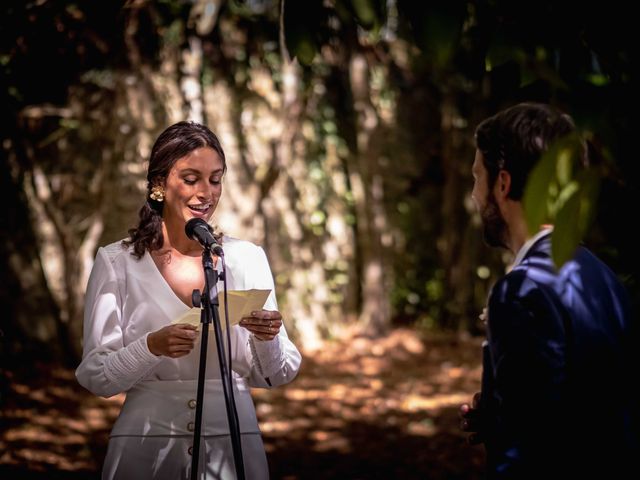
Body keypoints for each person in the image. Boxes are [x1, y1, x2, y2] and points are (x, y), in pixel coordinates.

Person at [76, 121, 302, 479]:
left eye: (215, 179)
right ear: (158, 185)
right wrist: (150, 346)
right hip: (144, 448)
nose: (206, 193)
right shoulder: (116, 262)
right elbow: (97, 377)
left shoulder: (246, 258)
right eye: (191, 178)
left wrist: (267, 336)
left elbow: (277, 374)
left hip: (232, 444)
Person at [460, 103, 637, 478]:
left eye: (477, 177)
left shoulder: (522, 290)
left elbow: (527, 450)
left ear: (503, 184)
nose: (475, 195)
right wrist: (497, 410)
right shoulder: (602, 276)